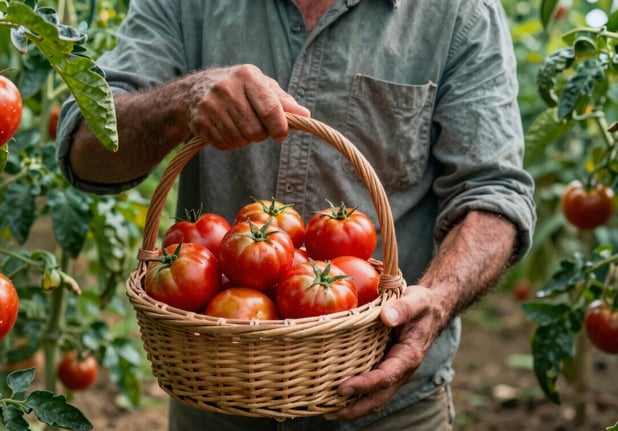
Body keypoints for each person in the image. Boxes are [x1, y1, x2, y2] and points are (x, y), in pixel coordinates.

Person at [57, 0, 536, 430]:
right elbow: (86, 152)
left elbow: (494, 194)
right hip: (219, 394)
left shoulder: (459, 12)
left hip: (390, 407)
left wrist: (436, 300)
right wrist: (183, 100)